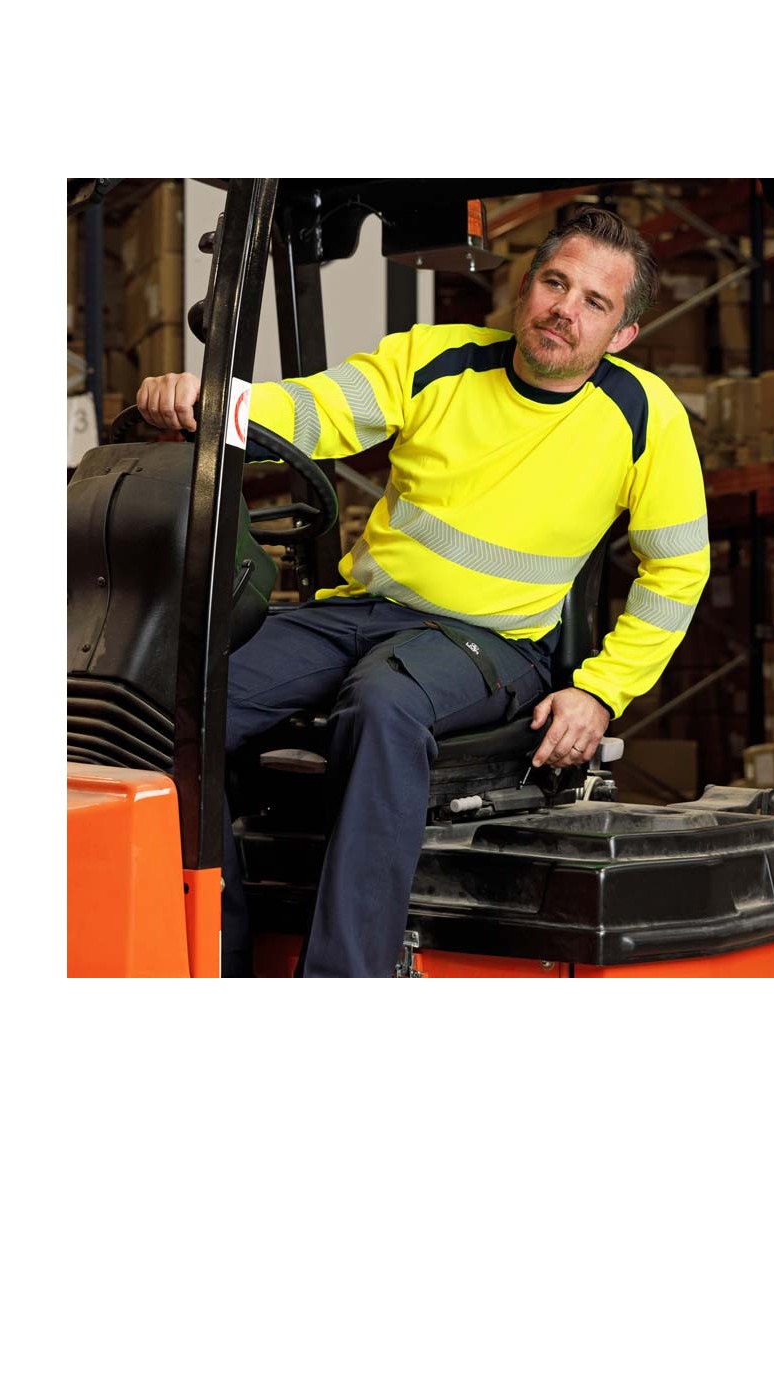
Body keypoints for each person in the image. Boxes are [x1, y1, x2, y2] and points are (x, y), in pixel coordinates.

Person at [137, 207, 709, 977]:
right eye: (554, 282)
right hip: (359, 614)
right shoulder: (436, 358)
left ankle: (347, 981)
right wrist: (215, 404)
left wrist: (601, 692)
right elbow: (316, 410)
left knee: (385, 703)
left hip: (493, 645)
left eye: (594, 302)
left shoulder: (645, 415)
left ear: (622, 334)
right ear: (526, 287)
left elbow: (677, 572)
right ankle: (212, 960)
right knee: (174, 703)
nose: (564, 309)